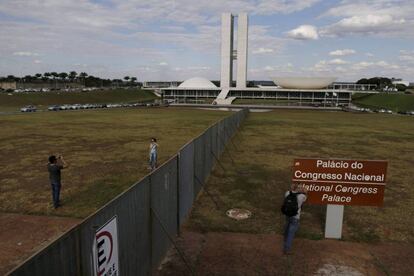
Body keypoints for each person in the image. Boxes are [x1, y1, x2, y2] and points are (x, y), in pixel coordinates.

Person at [283, 183, 307, 255]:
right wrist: (304, 191)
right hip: (296, 217)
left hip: (287, 215)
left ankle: (285, 243)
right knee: (291, 233)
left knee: (287, 230)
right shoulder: (302, 196)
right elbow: (305, 198)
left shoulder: (287, 193)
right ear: (298, 189)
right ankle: (287, 249)